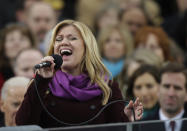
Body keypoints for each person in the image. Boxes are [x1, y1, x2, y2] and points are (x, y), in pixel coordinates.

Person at [16, 20, 143, 128]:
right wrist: (41, 81)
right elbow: (24, 125)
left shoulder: (107, 87)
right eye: (58, 39)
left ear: (87, 47)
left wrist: (126, 120)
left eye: (72, 38)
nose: (64, 42)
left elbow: (116, 128)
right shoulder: (42, 85)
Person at [139, 62, 187, 131]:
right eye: (166, 86)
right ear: (158, 90)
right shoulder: (141, 126)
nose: (171, 93)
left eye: (177, 88)